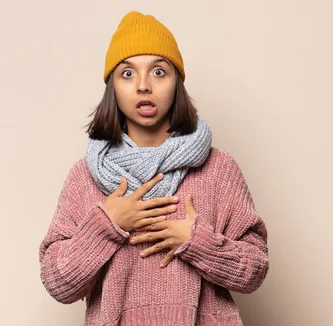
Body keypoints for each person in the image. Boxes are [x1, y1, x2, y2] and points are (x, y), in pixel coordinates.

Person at [38, 11, 269, 326]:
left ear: (177, 83)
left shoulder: (218, 170)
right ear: (113, 88)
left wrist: (198, 242)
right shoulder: (86, 177)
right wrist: (108, 224)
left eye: (159, 72)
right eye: (128, 74)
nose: (143, 86)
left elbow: (255, 270)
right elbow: (57, 282)